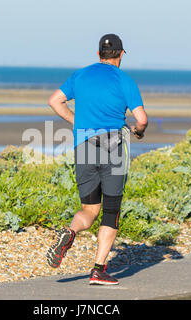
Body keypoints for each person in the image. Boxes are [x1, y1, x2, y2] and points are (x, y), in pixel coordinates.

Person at [46, 34, 148, 285]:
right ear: (121, 54)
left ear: (98, 54)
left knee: (89, 210)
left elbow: (54, 101)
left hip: (84, 146)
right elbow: (142, 119)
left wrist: (77, 122)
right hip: (114, 146)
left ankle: (70, 231)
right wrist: (139, 131)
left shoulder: (80, 75)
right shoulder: (125, 80)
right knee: (111, 211)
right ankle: (98, 270)